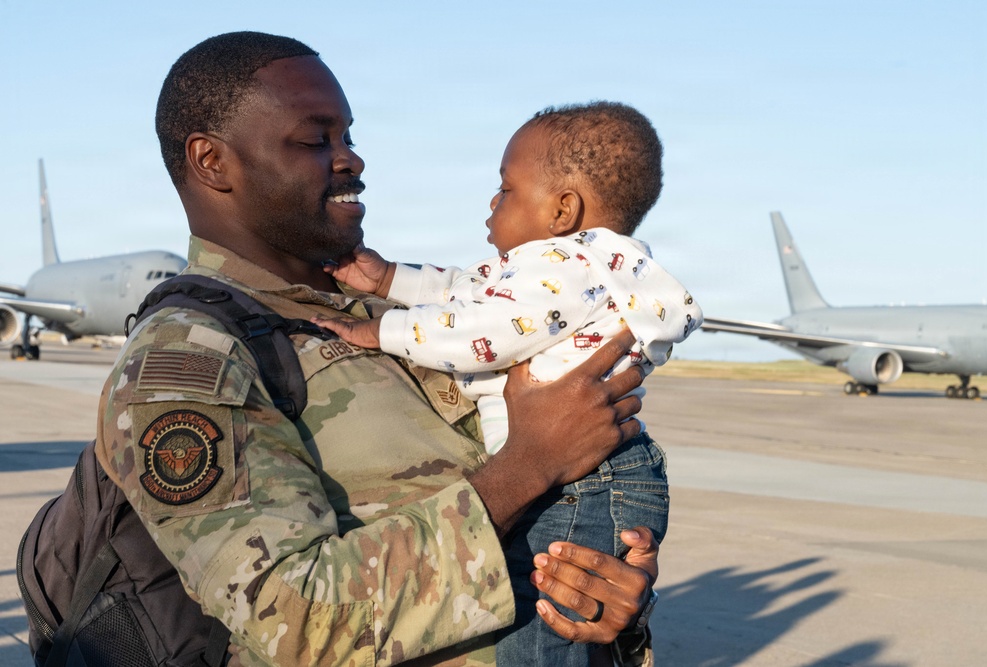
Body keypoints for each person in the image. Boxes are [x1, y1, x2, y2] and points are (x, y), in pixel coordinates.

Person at [95, 31, 660, 667]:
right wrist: (530, 466)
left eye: (349, 137)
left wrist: (602, 596)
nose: (352, 160)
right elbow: (293, 620)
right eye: (316, 140)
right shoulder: (189, 358)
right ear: (212, 162)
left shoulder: (404, 313)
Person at [315, 102, 703, 665]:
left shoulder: (562, 269)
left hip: (581, 482)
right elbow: (471, 290)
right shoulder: (564, 268)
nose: (493, 204)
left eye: (506, 189)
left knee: (537, 636)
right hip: (589, 476)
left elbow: (480, 327)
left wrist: (381, 330)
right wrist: (390, 278)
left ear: (563, 210)